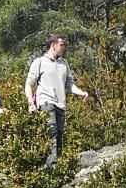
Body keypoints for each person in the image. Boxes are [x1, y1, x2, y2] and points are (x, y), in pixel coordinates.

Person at [25, 34, 88, 167]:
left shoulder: (64, 63)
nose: (64, 47)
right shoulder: (40, 62)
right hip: (46, 102)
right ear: (53, 46)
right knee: (51, 131)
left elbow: (69, 84)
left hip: (61, 104)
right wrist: (31, 102)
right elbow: (29, 84)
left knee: (59, 135)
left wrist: (81, 92)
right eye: (62, 45)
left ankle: (56, 167)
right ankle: (50, 167)